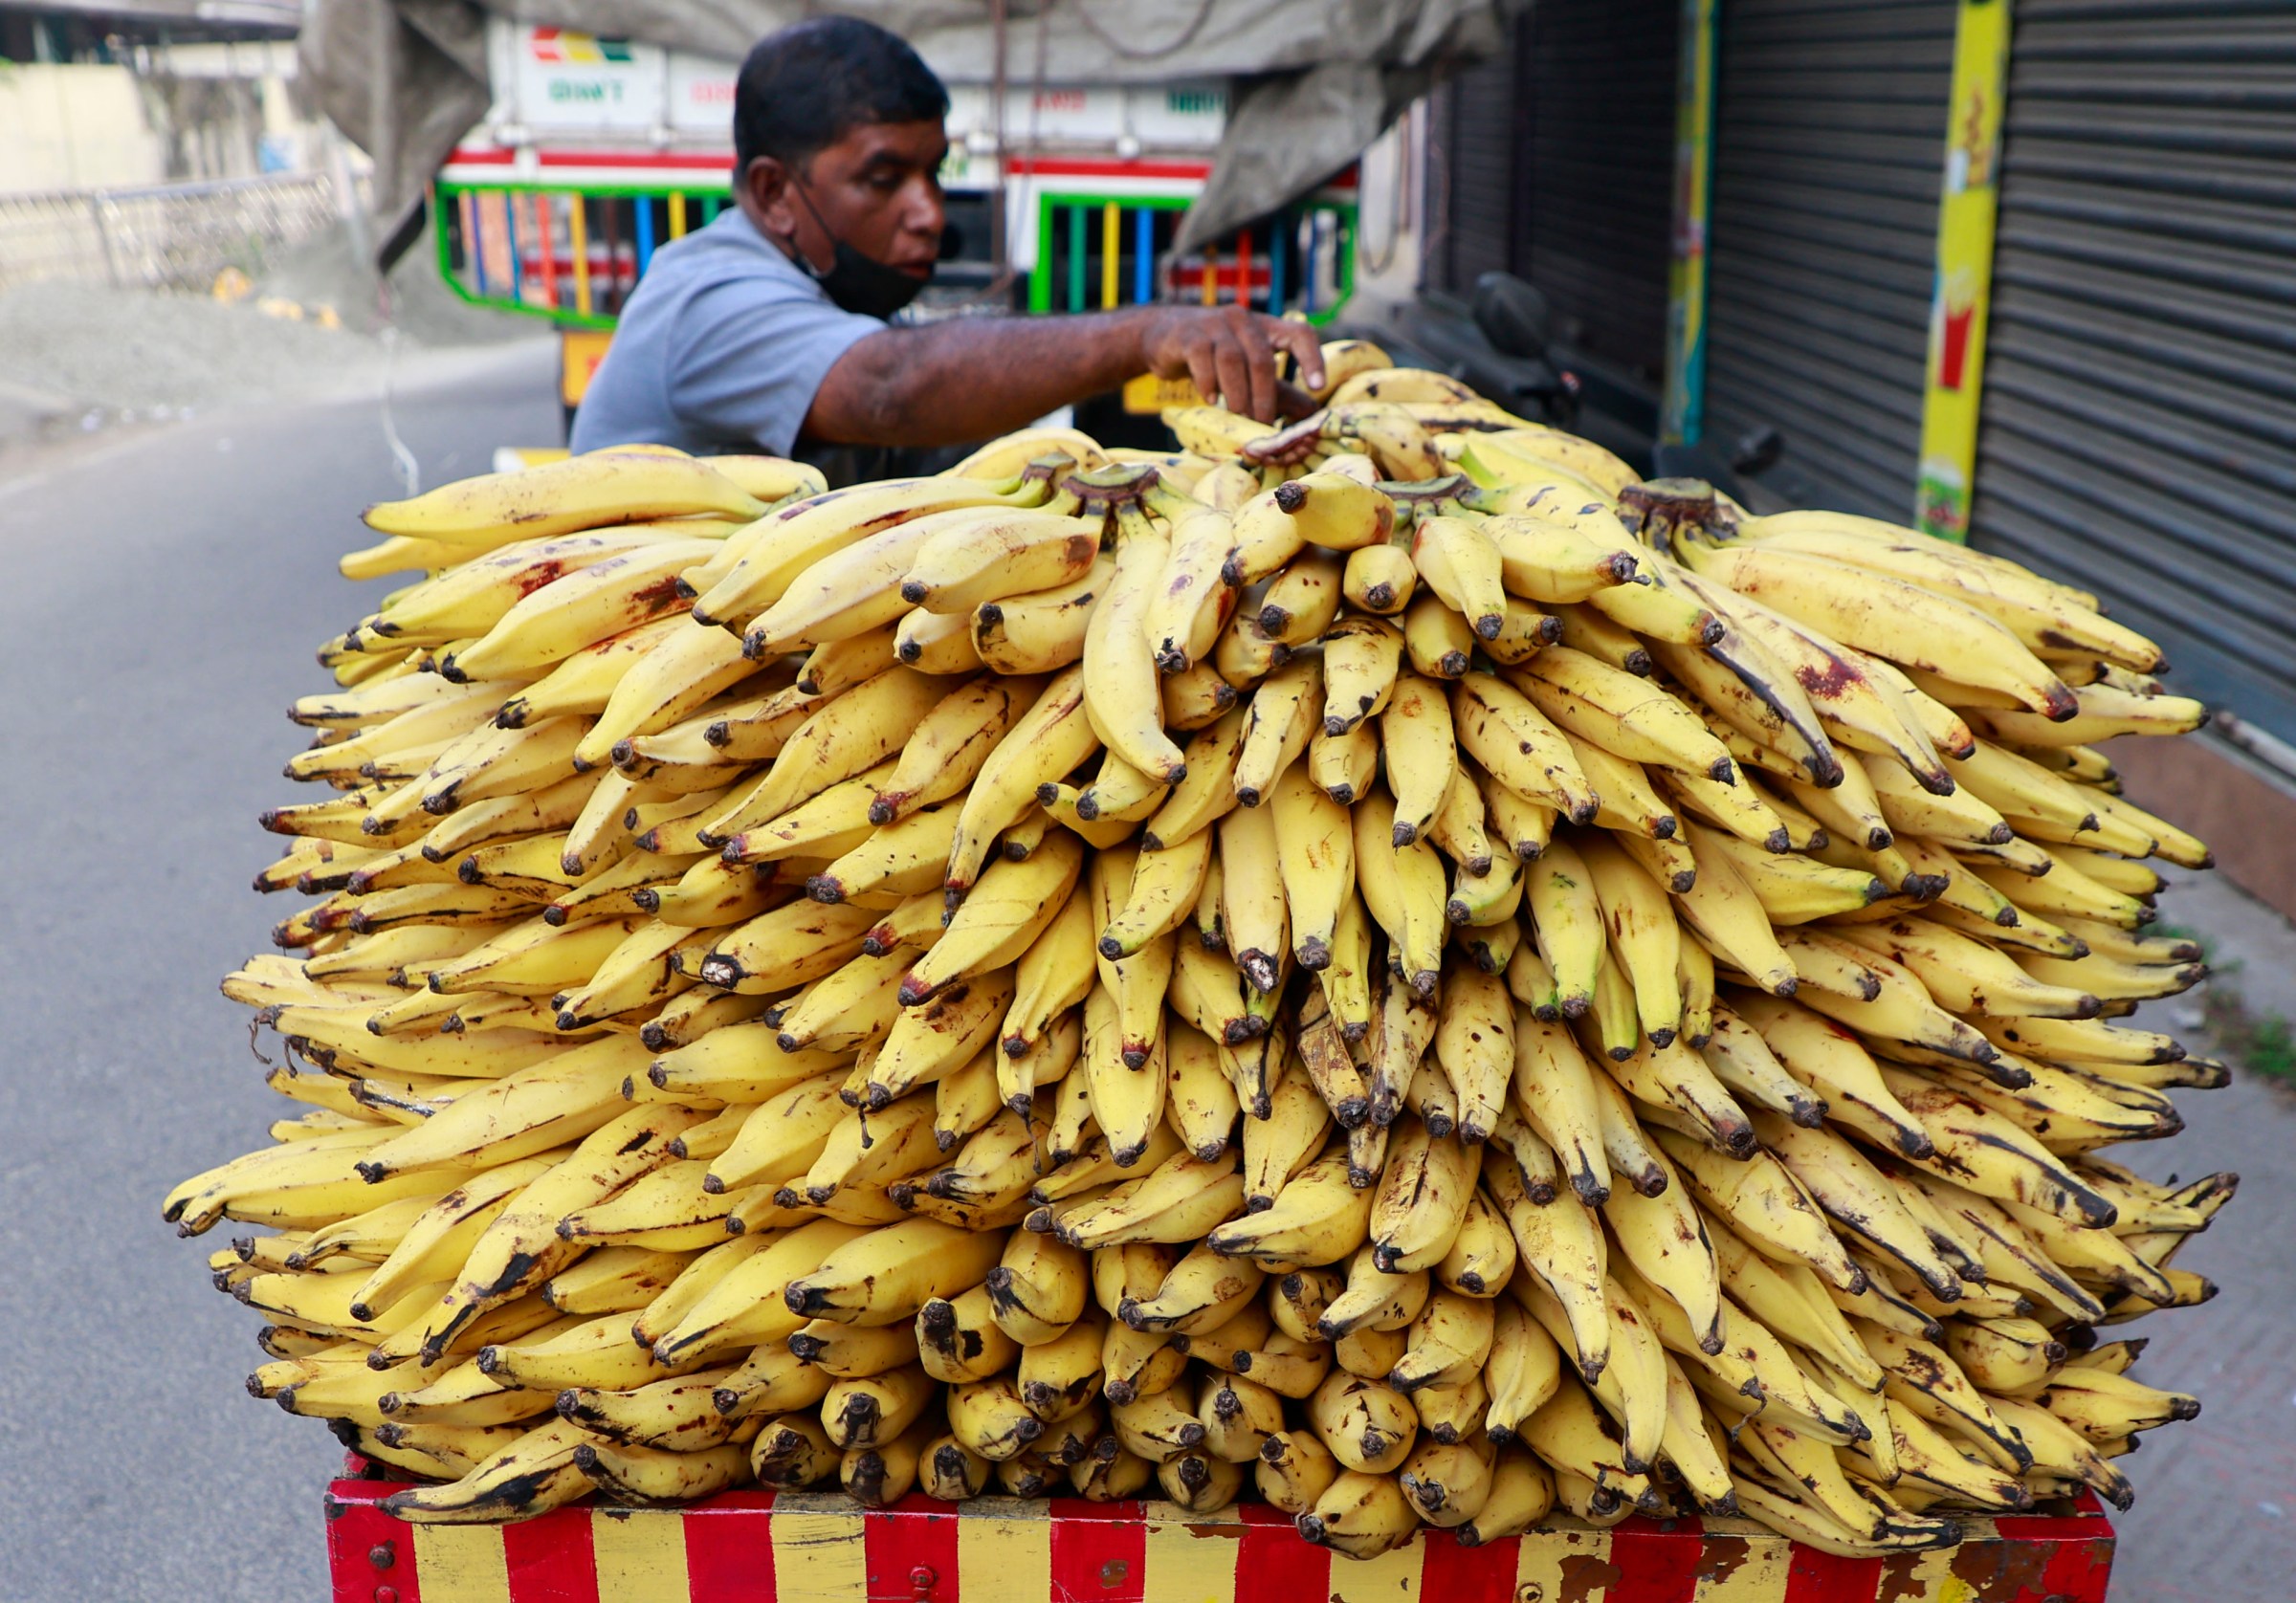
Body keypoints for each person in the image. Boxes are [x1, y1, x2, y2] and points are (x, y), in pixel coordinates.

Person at [568, 15, 1325, 472]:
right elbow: (891, 390)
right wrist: (1146, 330)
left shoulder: (837, 295)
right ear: (773, 193)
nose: (929, 212)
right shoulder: (707, 298)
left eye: (933, 174)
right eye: (884, 179)